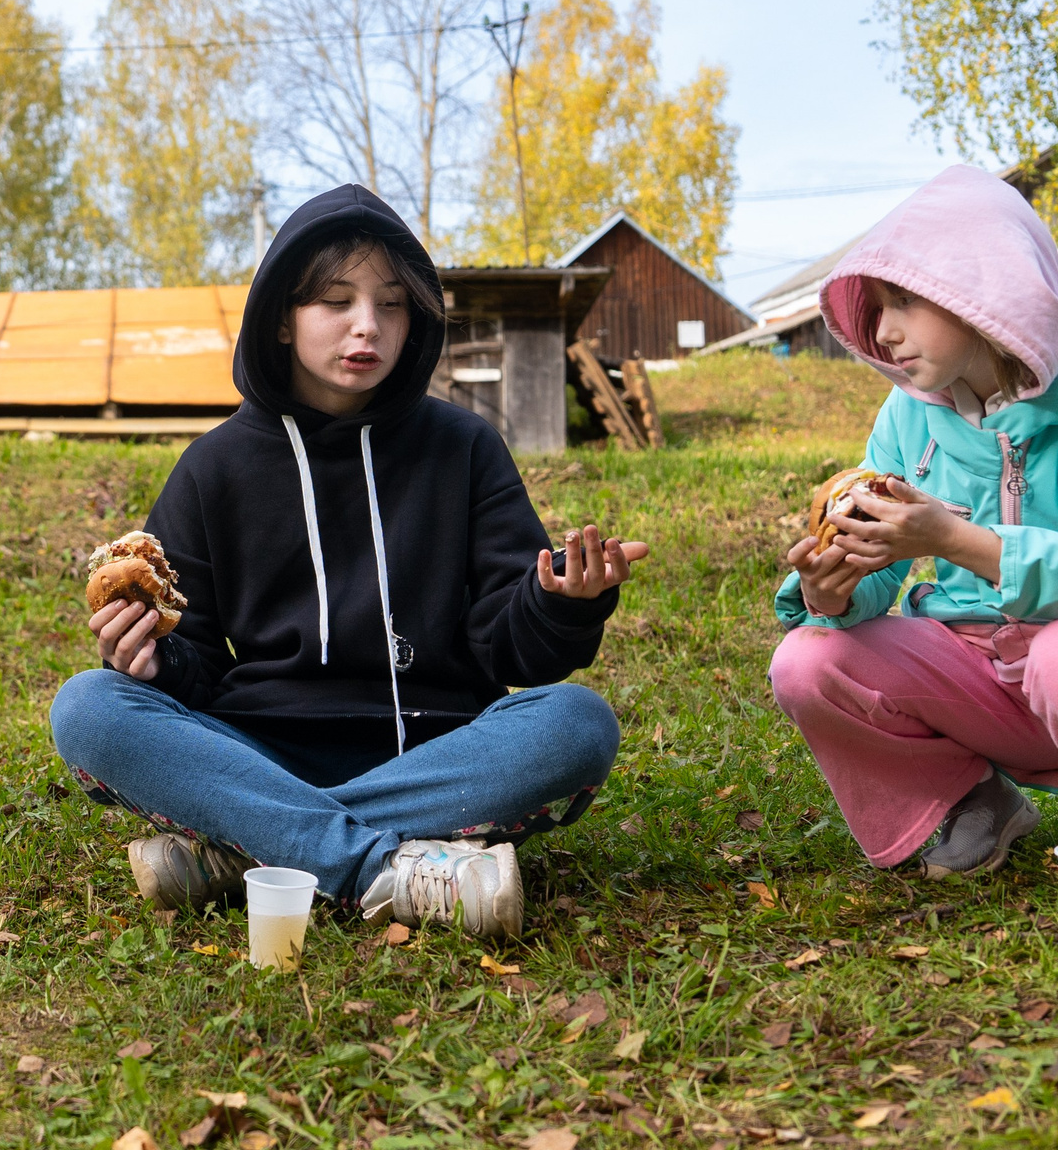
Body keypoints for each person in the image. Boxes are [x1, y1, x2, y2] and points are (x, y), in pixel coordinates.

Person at [47, 185, 640, 936]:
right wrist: (150, 660)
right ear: (282, 319)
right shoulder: (213, 468)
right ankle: (379, 867)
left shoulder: (464, 447)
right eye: (336, 301)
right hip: (260, 754)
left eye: (392, 304)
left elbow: (510, 647)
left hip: (440, 751)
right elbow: (195, 665)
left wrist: (562, 603)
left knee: (577, 723)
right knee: (89, 706)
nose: (369, 326)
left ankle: (251, 847)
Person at [768, 166, 1058, 885]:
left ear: (982, 292)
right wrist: (834, 591)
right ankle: (973, 801)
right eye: (877, 308)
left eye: (904, 301)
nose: (883, 332)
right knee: (807, 662)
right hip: (976, 668)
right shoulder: (908, 413)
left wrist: (952, 540)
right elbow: (877, 569)